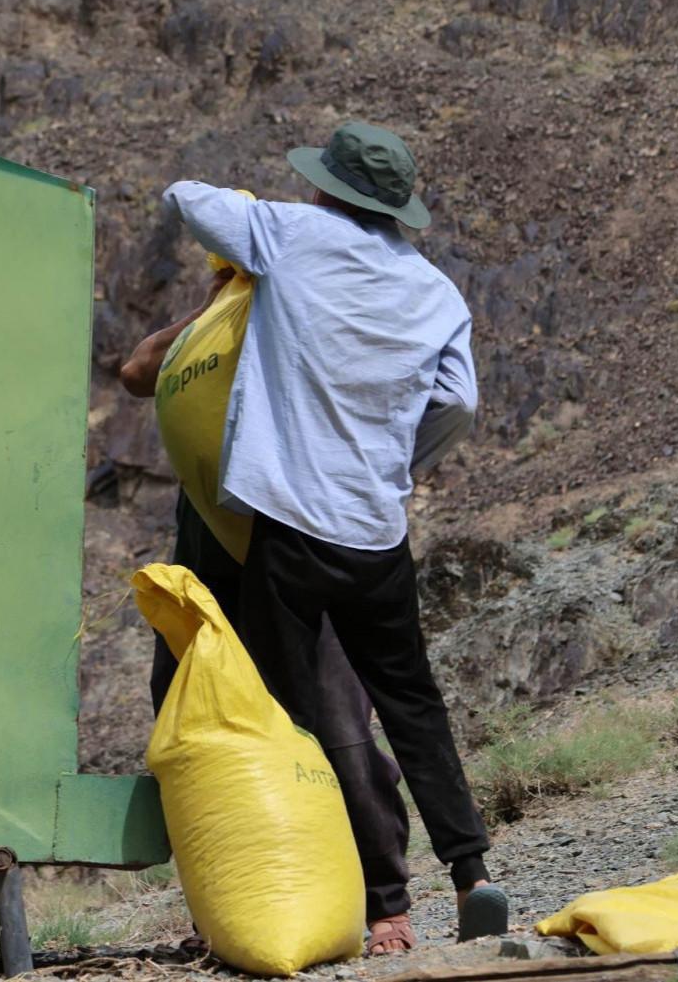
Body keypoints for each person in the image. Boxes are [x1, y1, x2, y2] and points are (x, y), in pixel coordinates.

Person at [158, 122, 507, 941]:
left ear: (325, 186)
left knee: (287, 714)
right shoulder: (434, 291)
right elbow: (460, 402)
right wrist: (396, 460)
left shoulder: (290, 233)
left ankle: (342, 897)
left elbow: (185, 198)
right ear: (395, 208)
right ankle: (470, 873)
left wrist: (253, 216)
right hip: (376, 534)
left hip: (287, 529)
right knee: (413, 705)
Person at [119, 235, 416, 955]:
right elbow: (134, 370)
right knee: (194, 718)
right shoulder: (210, 327)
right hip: (207, 550)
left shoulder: (300, 308)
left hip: (297, 540)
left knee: (335, 718)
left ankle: (385, 906)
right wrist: (215, 304)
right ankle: (225, 906)